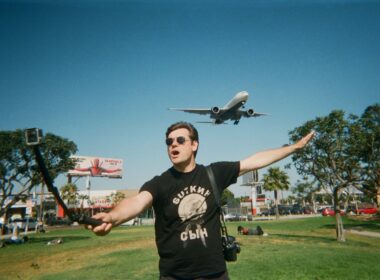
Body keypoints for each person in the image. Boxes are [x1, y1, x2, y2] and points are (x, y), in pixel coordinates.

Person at [87, 121, 314, 280]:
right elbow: (137, 202)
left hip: (214, 274)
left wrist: (292, 148)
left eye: (179, 140)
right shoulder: (159, 183)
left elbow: (254, 161)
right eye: (169, 141)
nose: (173, 145)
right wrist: (112, 217)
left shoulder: (213, 173)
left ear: (194, 144)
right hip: (174, 276)